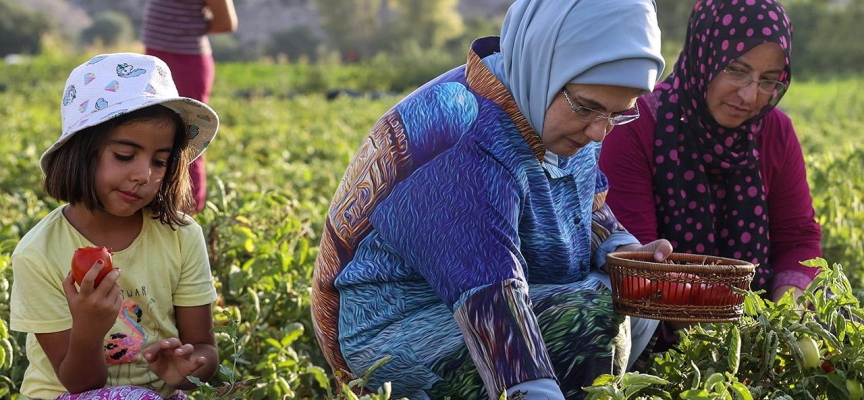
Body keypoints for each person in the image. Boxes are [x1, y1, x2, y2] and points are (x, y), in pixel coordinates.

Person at [310, 0, 672, 399]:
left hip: (503, 293)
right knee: (587, 318)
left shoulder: (563, 110)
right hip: (396, 333)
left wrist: (622, 250)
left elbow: (586, 205)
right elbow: (490, 301)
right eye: (589, 108)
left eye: (619, 114)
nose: (601, 132)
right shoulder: (458, 129)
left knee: (635, 292)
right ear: (544, 66)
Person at [9, 53, 221, 400]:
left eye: (160, 162)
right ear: (81, 152)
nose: (144, 175)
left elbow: (204, 347)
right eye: (124, 156)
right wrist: (89, 331)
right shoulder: (38, 254)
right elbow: (79, 383)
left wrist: (188, 367)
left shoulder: (181, 237)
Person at [599, 0, 822, 303]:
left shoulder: (774, 132)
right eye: (735, 70)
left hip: (754, 319)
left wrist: (785, 313)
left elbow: (797, 240)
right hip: (657, 318)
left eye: (768, 80)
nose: (749, 95)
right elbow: (636, 260)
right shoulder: (638, 125)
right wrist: (717, 326)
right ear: (703, 55)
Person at [142, 0, 237, 213]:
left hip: (186, 60)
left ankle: (185, 214)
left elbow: (226, 22)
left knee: (186, 138)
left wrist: (183, 30)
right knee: (152, 132)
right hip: (154, 57)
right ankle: (154, 204)